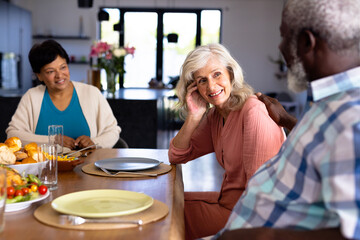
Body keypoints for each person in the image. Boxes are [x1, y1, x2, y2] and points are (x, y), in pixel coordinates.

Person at [215, 0, 360, 239]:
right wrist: (288, 120)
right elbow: (325, 142)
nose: (280, 47)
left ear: (306, 42)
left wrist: (264, 236)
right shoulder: (332, 101)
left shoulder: (352, 118)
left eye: (283, 36)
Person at [168, 43, 286, 239]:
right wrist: (194, 116)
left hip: (249, 217)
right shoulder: (216, 115)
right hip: (228, 203)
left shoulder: (253, 112)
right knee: (165, 202)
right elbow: (177, 155)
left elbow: (261, 196)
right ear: (194, 87)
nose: (211, 87)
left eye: (217, 75)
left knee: (167, 215)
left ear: (231, 74)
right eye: (202, 81)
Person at [6, 40, 120, 150]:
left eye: (63, 67)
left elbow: (113, 131)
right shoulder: (31, 97)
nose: (59, 76)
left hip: (87, 167)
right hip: (43, 168)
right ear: (39, 76)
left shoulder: (92, 93)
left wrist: (94, 143)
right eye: (50, 71)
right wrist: (54, 140)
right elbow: (13, 135)